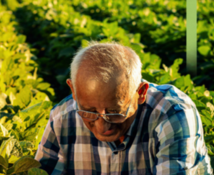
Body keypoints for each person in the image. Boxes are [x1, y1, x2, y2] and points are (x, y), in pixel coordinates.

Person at [34, 42, 213, 174]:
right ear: (73, 90)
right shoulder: (62, 118)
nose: (103, 126)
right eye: (90, 111)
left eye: (114, 112)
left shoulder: (172, 114)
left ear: (141, 92)